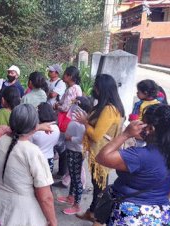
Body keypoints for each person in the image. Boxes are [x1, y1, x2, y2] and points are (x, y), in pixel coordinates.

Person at [96, 104, 170, 225]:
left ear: (151, 129)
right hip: (161, 214)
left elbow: (102, 157)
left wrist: (126, 134)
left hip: (132, 215)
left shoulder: (139, 156)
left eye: (142, 124)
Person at [0, 104, 57, 226]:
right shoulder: (33, 152)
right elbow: (45, 197)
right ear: (34, 125)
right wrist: (53, 221)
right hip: (22, 211)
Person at [74, 74, 125, 223]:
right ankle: (92, 211)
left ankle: (98, 217)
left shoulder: (110, 109)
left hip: (102, 153)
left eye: (96, 86)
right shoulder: (106, 106)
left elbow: (96, 135)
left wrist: (85, 122)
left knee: (100, 187)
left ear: (102, 89)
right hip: (100, 152)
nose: (94, 89)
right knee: (97, 185)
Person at [56, 96, 92, 215]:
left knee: (76, 179)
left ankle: (77, 205)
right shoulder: (75, 118)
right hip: (71, 149)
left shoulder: (82, 122)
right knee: (72, 174)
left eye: (76, 104)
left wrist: (69, 138)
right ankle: (70, 197)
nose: (73, 106)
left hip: (77, 151)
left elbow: (82, 139)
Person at [54, 66, 82, 178]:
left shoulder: (71, 89)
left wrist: (57, 106)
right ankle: (64, 173)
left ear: (70, 76)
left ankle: (63, 171)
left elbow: (65, 107)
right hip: (75, 118)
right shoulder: (77, 88)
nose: (63, 76)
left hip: (68, 118)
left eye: (65, 74)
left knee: (62, 145)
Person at [31, 102, 60, 173]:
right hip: (50, 159)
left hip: (36, 160)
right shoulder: (56, 128)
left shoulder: (36, 131)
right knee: (47, 181)